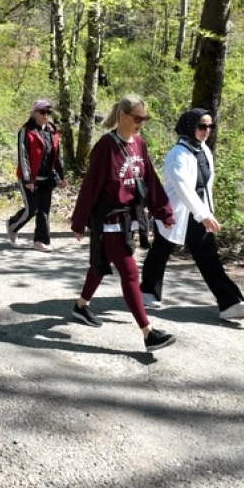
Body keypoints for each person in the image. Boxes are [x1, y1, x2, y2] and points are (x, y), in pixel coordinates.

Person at [70, 94, 178, 352]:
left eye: (145, 118)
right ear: (122, 115)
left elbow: (149, 180)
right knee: (130, 272)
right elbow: (90, 186)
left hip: (130, 217)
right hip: (109, 219)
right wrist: (79, 221)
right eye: (138, 118)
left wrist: (164, 211)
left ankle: (81, 306)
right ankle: (148, 332)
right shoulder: (105, 146)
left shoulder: (139, 144)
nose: (141, 123)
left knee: (100, 264)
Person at [140, 109, 244, 319]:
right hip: (178, 213)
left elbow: (205, 186)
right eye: (202, 126)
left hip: (197, 213)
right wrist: (202, 214)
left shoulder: (203, 150)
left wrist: (208, 211)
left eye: (210, 126)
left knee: (201, 256)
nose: (207, 131)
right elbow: (184, 187)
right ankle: (229, 302)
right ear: (190, 126)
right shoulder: (178, 154)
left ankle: (230, 302)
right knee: (162, 251)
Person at [6, 99, 67, 251]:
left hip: (47, 178)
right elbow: (23, 156)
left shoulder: (52, 130)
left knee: (44, 210)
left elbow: (57, 155)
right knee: (32, 209)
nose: (45, 115)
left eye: (48, 112)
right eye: (42, 112)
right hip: (30, 178)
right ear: (34, 113)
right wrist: (27, 179)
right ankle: (13, 224)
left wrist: (61, 176)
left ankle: (40, 241)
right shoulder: (26, 131)